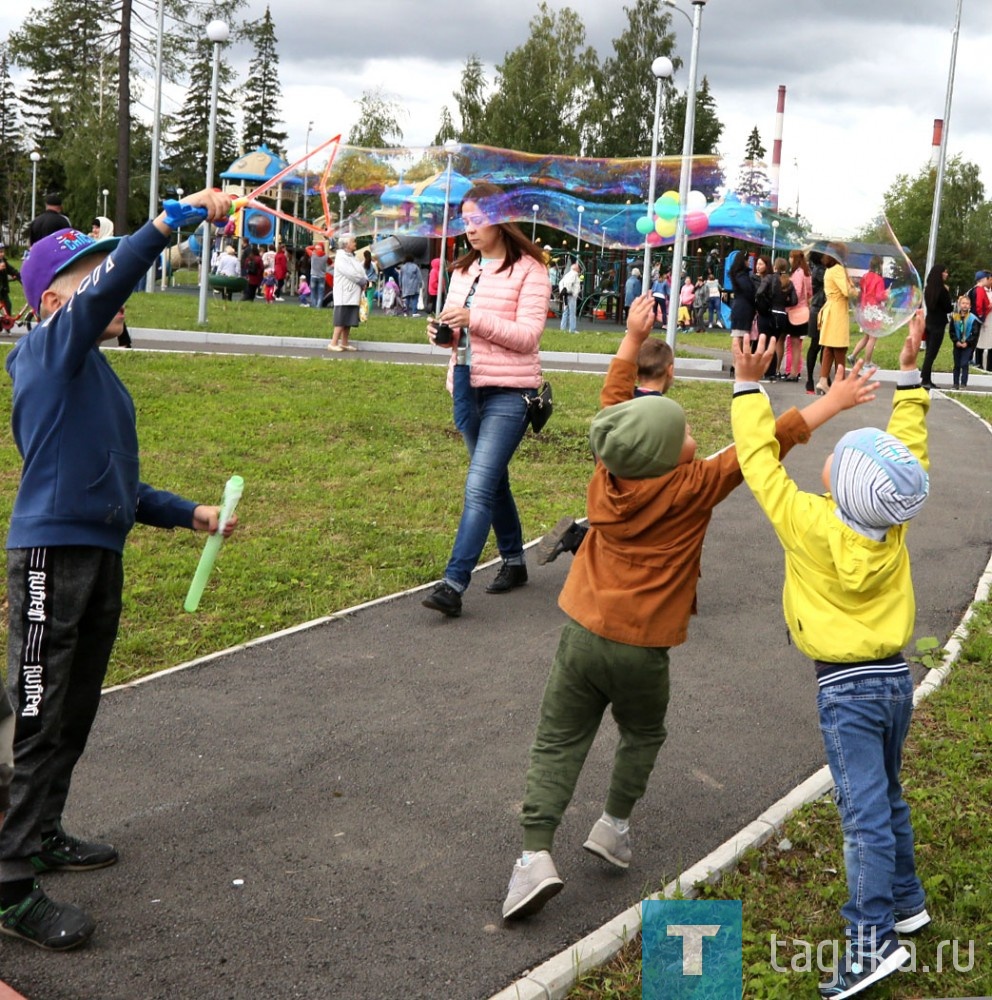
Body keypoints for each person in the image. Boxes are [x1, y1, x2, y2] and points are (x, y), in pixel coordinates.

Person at [502, 296, 814, 921]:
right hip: (645, 650)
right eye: (687, 433)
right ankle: (612, 827)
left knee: (559, 738)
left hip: (583, 634)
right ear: (671, 452)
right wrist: (820, 399)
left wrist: (630, 335)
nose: (694, 437)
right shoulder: (696, 487)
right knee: (642, 733)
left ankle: (532, 856)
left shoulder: (606, 472)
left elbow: (615, 406)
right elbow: (765, 446)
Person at [1, 189, 239, 952]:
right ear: (53, 301)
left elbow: (115, 485)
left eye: (106, 265)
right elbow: (113, 280)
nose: (111, 281)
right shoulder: (45, 350)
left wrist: (186, 512)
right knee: (39, 720)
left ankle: (39, 834)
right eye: (91, 273)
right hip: (49, 562)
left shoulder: (97, 376)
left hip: (98, 559)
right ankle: (7, 885)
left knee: (73, 714)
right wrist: (171, 221)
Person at [730, 318, 930, 999]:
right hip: (895, 681)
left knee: (864, 815)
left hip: (844, 692)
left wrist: (748, 388)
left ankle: (871, 944)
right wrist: (911, 381)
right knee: (888, 796)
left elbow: (758, 463)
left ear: (839, 484)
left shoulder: (808, 524)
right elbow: (910, 457)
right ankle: (907, 901)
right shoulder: (893, 522)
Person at [422, 182, 550, 619]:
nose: (470, 229)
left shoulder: (530, 270)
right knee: (493, 481)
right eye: (465, 220)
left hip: (511, 393)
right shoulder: (464, 270)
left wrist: (473, 319)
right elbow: (459, 336)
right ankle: (514, 562)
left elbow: (528, 336)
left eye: (478, 220)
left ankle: (454, 584)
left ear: (500, 219)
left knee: (478, 486)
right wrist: (445, 335)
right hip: (466, 386)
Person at [535, 301, 675, 567]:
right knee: (631, 540)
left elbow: (613, 392)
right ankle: (579, 539)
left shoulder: (621, 403)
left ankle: (578, 537)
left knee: (616, 528)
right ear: (670, 371)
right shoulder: (663, 414)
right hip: (640, 489)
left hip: (608, 479)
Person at [815, 244, 852, 396]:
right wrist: (858, 289)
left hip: (831, 309)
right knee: (840, 347)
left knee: (829, 348)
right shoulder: (837, 270)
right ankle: (840, 384)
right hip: (837, 311)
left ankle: (823, 381)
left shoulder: (830, 270)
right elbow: (847, 291)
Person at [91, 218, 133, 348]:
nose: (94, 230)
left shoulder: (109, 244)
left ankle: (124, 341)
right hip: (101, 282)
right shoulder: (95, 243)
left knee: (109, 310)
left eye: (97, 227)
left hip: (110, 282)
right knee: (108, 310)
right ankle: (124, 341)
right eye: (93, 227)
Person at [328, 234, 367, 352]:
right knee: (341, 318)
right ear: (347, 244)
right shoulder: (341, 257)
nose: (355, 243)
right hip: (344, 293)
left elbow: (361, 271)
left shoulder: (352, 257)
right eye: (353, 241)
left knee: (349, 319)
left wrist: (365, 281)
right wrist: (362, 281)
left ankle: (344, 342)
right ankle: (333, 342)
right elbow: (350, 273)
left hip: (353, 293)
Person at [849, 256, 887, 369]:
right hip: (874, 310)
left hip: (865, 308)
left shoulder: (865, 277)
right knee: (873, 337)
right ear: (879, 265)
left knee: (866, 336)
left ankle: (852, 356)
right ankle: (867, 362)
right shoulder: (879, 279)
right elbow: (880, 296)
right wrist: (887, 293)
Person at [920, 263, 952, 390]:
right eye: (945, 272)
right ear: (940, 274)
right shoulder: (942, 290)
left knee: (929, 352)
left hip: (929, 322)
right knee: (932, 353)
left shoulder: (928, 288)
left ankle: (927, 378)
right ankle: (925, 379)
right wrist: (947, 293)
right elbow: (948, 308)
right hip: (938, 324)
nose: (946, 274)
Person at [782, 249, 811, 382]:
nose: (789, 260)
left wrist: (785, 299)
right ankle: (795, 371)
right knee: (797, 344)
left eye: (790, 257)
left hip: (795, 312)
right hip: (804, 311)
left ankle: (793, 372)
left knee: (793, 344)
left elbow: (797, 293)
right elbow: (809, 293)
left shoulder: (798, 273)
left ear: (794, 259)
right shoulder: (806, 273)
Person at [805, 251, 827, 395]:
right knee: (817, 345)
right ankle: (812, 380)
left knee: (823, 346)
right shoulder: (820, 270)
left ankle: (821, 379)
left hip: (820, 309)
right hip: (819, 309)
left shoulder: (819, 269)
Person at [949, 294, 980, 389]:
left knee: (964, 363)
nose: (965, 305)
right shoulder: (954, 317)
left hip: (968, 345)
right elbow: (952, 331)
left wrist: (967, 342)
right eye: (963, 303)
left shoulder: (973, 319)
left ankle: (963, 383)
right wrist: (956, 341)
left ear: (970, 306)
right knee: (957, 364)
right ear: (959, 304)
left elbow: (975, 333)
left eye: (967, 303)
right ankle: (955, 383)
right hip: (957, 344)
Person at [728, 251, 756, 351]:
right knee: (740, 337)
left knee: (739, 336)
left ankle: (736, 363)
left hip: (740, 308)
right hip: (743, 310)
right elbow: (749, 293)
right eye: (748, 261)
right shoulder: (742, 277)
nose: (749, 263)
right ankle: (736, 363)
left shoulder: (738, 276)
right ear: (743, 262)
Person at [968, 271, 991, 371]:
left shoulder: (973, 290)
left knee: (974, 338)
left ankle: (970, 359)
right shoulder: (980, 290)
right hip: (978, 317)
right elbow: (979, 304)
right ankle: (970, 359)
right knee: (974, 339)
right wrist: (981, 315)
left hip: (974, 316)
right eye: (988, 278)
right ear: (984, 279)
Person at [0, 243, 22, 318]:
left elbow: (11, 270)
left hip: (3, 289)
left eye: (3, 252)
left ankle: (7, 323)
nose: (2, 254)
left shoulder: (4, 261)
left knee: (8, 306)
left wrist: (19, 275)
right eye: (0, 252)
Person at [559, 261, 581, 332]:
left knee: (565, 311)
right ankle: (572, 329)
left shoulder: (567, 274)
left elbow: (561, 282)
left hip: (566, 295)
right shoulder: (574, 274)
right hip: (570, 295)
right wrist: (570, 291)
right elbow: (569, 283)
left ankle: (563, 328)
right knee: (572, 313)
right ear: (576, 269)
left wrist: (563, 291)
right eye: (578, 268)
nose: (579, 270)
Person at [307, 242, 328, 308]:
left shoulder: (313, 254)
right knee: (320, 293)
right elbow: (330, 263)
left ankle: (314, 305)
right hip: (322, 276)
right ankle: (318, 306)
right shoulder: (326, 256)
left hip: (313, 275)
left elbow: (307, 248)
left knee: (313, 292)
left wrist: (314, 247)